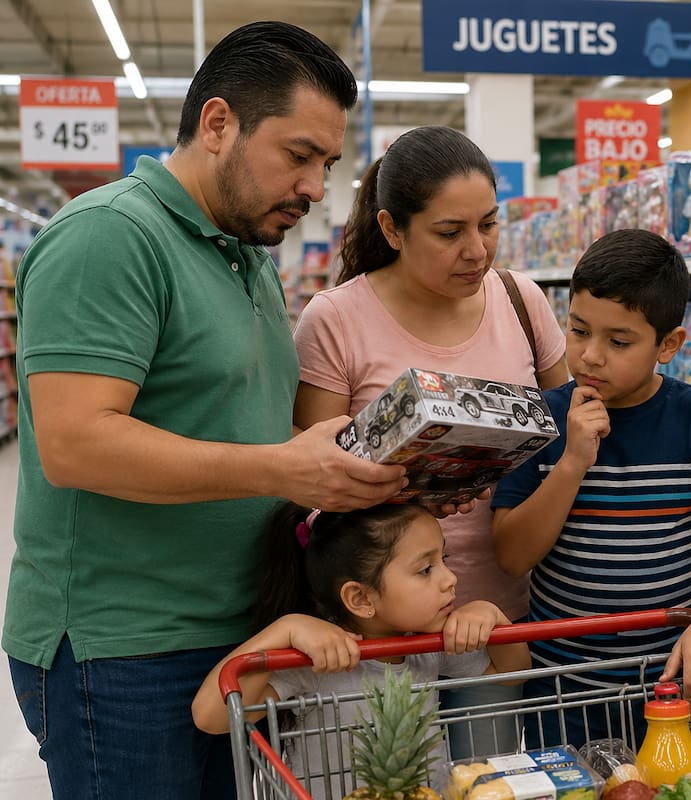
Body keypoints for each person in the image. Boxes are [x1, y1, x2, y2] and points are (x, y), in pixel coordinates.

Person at [4, 21, 414, 800]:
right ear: (219, 124)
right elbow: (74, 443)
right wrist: (282, 465)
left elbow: (233, 422)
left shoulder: (246, 256)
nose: (315, 187)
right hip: (124, 652)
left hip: (236, 633)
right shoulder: (110, 236)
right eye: (298, 155)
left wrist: (357, 467)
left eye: (327, 163)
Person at [290, 124, 568, 757]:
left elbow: (565, 420)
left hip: (493, 614)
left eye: (489, 225)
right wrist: (396, 485)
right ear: (392, 229)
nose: (477, 251)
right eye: (450, 233)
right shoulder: (335, 319)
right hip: (378, 639)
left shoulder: (522, 300)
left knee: (485, 779)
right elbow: (309, 481)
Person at [491, 228, 691, 745]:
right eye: (578, 331)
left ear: (668, 344)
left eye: (618, 342)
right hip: (561, 690)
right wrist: (572, 461)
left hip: (675, 684)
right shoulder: (537, 417)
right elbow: (512, 553)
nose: (591, 356)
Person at [192, 503, 530, 800]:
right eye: (426, 570)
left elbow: (509, 673)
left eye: (444, 559)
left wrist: (491, 616)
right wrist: (286, 629)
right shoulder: (318, 660)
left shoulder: (425, 643)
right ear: (361, 599)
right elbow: (212, 717)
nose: (450, 578)